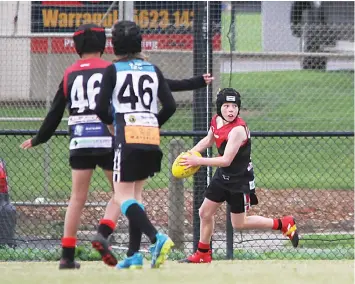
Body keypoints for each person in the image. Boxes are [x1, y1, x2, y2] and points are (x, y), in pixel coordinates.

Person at [20, 22, 213, 270]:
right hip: (133, 139)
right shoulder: (141, 68)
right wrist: (191, 87)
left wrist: (41, 138)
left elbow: (79, 109)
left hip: (103, 138)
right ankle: (122, 245)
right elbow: (167, 92)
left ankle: (144, 239)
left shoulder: (96, 71)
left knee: (103, 196)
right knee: (132, 194)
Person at [177, 88, 299, 263]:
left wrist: (197, 161)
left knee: (238, 224)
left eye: (234, 106)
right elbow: (209, 140)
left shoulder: (238, 130)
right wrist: (189, 153)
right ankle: (203, 253)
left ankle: (283, 223)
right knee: (204, 212)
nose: (231, 110)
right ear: (220, 108)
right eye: (226, 106)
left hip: (239, 181)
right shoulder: (216, 121)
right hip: (222, 177)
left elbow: (226, 160)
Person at [94, 20, 177, 269]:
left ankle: (156, 238)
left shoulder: (113, 70)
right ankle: (132, 254)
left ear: (114, 44)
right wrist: (153, 122)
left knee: (121, 196)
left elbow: (100, 108)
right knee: (135, 196)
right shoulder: (152, 69)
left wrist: (112, 124)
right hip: (150, 137)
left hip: (127, 136)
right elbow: (170, 106)